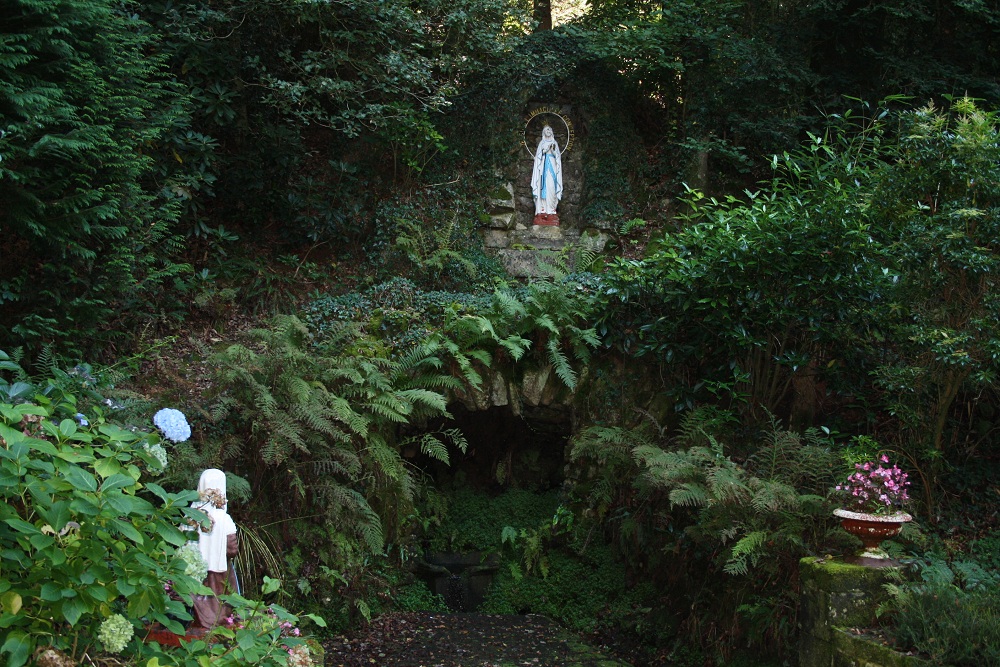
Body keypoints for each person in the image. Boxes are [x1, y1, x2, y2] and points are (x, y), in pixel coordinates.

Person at [188, 468, 239, 635]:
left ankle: (196, 621)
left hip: (192, 571)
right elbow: (231, 549)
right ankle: (216, 623)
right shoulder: (224, 518)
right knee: (221, 601)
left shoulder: (190, 515)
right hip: (219, 572)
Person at [530, 125, 562, 225]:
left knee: (551, 188)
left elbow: (558, 158)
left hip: (552, 168)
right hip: (543, 170)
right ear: (544, 132)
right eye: (546, 129)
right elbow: (538, 157)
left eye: (550, 129)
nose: (548, 131)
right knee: (542, 188)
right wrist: (544, 151)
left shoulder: (555, 143)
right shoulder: (542, 143)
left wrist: (552, 150)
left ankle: (551, 210)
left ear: (552, 132)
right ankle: (542, 210)